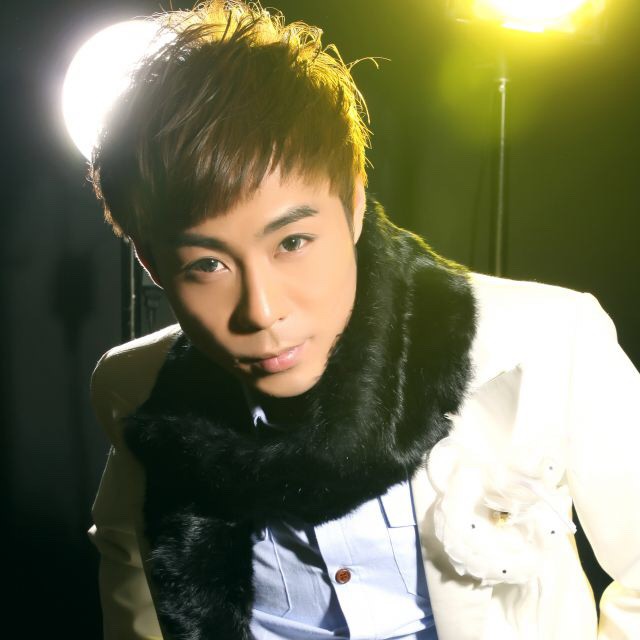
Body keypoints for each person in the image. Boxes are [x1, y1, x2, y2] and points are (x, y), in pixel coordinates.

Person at [87, 1, 640, 639]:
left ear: (352, 204)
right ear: (151, 264)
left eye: (293, 242)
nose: (261, 311)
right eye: (207, 265)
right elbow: (133, 568)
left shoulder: (547, 339)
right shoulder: (135, 387)